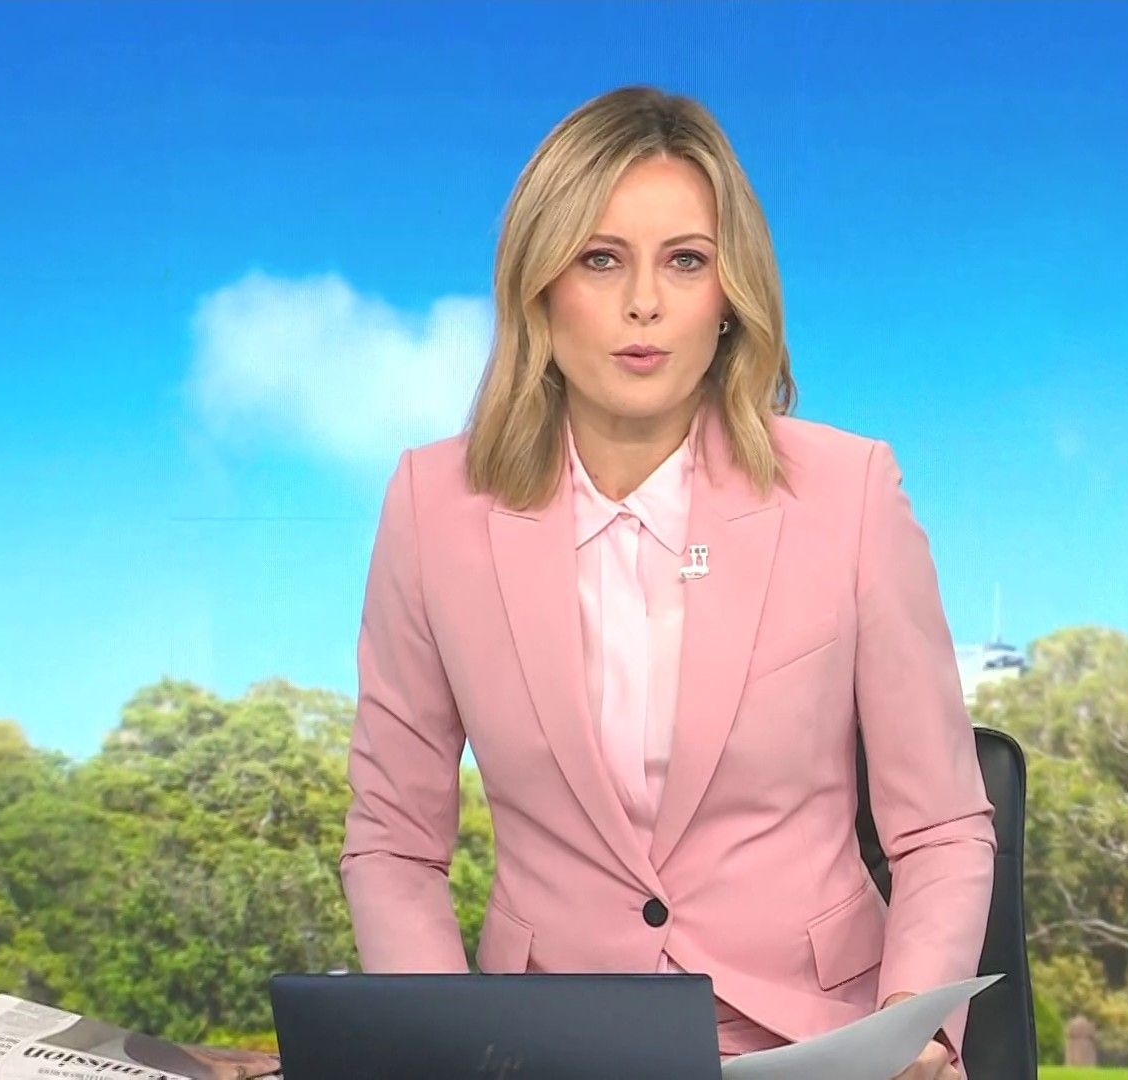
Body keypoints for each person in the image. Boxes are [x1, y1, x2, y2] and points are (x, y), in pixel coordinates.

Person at [340, 85, 995, 1080]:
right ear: (538, 286)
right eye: (601, 259)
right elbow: (394, 843)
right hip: (540, 1051)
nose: (643, 302)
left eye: (685, 260)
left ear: (729, 295)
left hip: (817, 1043)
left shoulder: (850, 492)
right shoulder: (433, 507)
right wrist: (446, 1052)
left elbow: (942, 828)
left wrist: (913, 1031)